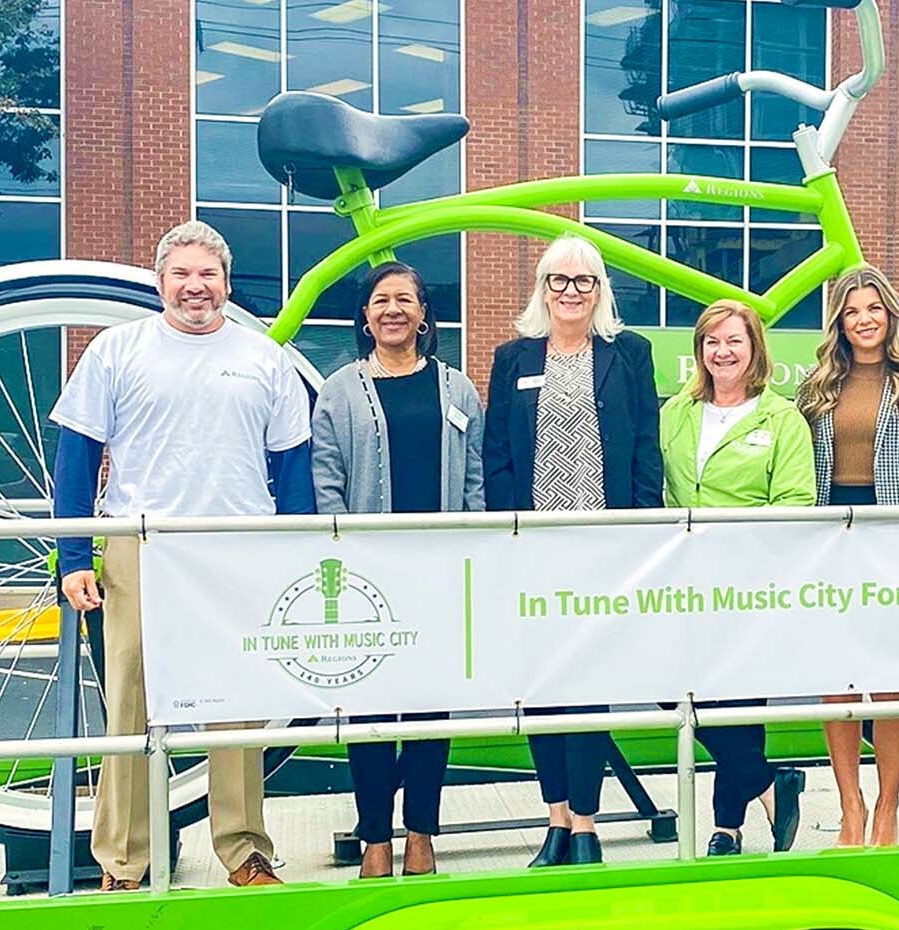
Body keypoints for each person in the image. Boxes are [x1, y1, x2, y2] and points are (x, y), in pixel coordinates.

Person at [51, 220, 315, 890]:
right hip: (140, 542)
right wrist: (73, 553)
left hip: (239, 547)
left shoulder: (264, 358)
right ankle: (124, 858)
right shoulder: (117, 350)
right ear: (161, 280)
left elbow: (294, 470)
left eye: (208, 275)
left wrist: (296, 553)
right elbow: (77, 458)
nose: (195, 287)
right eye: (181, 274)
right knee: (131, 699)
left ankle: (245, 850)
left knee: (239, 702)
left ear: (226, 282)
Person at [483, 234, 662, 867]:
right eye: (559, 280)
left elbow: (646, 446)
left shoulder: (628, 354)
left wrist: (638, 532)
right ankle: (554, 820)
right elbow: (497, 455)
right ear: (542, 288)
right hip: (534, 549)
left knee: (590, 685)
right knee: (542, 687)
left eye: (583, 281)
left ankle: (586, 826)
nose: (570, 292)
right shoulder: (513, 358)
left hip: (603, 547)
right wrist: (510, 535)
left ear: (599, 290)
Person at [311, 261, 484, 879]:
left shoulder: (457, 388)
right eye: (381, 300)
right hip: (367, 576)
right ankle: (375, 836)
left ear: (423, 314)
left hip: (438, 571)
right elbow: (325, 480)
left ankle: (422, 832)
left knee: (430, 709)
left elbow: (473, 482)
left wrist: (473, 552)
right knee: (370, 709)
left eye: (405, 300)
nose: (393, 310)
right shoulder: (339, 390)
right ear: (365, 315)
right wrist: (342, 556)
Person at [795, 265, 899, 848]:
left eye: (874, 309)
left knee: (890, 682)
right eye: (852, 311)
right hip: (832, 537)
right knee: (836, 681)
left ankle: (888, 806)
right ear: (839, 321)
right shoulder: (816, 386)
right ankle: (850, 806)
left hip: (895, 540)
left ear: (890, 316)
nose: (864, 320)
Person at [660, 299, 812, 856]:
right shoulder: (676, 412)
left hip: (750, 581)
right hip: (683, 581)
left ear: (755, 351)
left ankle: (727, 828)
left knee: (739, 703)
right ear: (700, 351)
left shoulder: (782, 419)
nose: (722, 352)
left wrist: (734, 541)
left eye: (734, 342)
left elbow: (796, 502)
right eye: (712, 343)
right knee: (675, 691)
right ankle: (771, 784)